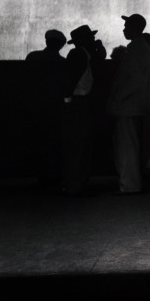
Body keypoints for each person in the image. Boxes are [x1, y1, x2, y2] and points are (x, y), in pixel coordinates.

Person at [107, 14, 150, 195]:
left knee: (127, 148)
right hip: (131, 105)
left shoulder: (136, 49)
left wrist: (119, 97)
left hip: (127, 106)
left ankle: (129, 185)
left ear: (134, 28)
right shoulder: (140, 47)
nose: (124, 29)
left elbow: (134, 80)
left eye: (126, 26)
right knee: (128, 146)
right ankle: (129, 183)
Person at [62, 25, 101, 196]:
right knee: (79, 143)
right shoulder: (80, 54)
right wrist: (68, 100)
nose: (93, 40)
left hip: (79, 102)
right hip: (79, 101)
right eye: (90, 38)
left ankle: (76, 183)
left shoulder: (80, 53)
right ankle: (76, 183)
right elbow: (70, 79)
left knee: (78, 143)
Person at [25, 29, 67, 189]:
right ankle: (52, 176)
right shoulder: (62, 63)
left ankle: (40, 175)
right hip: (54, 109)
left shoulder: (33, 58)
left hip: (35, 107)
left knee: (38, 142)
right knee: (53, 143)